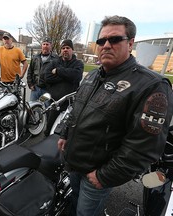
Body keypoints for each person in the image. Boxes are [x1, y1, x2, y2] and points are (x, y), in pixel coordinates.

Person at [57, 15, 173, 216]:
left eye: (115, 39)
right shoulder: (93, 75)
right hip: (74, 161)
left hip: (97, 175)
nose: (106, 45)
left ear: (130, 43)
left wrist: (104, 177)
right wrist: (64, 133)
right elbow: (77, 107)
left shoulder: (151, 85)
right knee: (72, 206)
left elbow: (143, 147)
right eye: (101, 41)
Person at [43, 39, 84, 136]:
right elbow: (47, 77)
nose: (65, 50)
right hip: (55, 102)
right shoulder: (54, 62)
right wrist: (67, 76)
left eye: (68, 48)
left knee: (66, 131)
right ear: (61, 50)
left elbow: (77, 76)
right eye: (63, 48)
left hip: (69, 104)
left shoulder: (78, 63)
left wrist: (58, 71)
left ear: (72, 50)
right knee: (49, 128)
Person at [27, 37, 58, 102]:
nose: (45, 46)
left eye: (47, 44)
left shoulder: (55, 59)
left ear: (51, 46)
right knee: (32, 109)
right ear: (41, 46)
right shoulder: (35, 57)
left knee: (46, 109)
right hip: (35, 89)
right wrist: (30, 84)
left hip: (47, 91)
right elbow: (30, 71)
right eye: (44, 44)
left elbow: (57, 75)